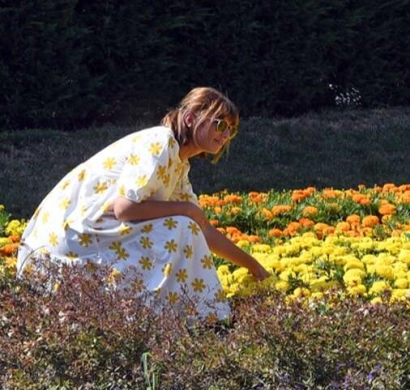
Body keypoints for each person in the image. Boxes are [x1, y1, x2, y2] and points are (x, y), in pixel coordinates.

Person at [16, 87, 269, 320]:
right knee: (181, 227)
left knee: (186, 226)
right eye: (219, 124)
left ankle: (181, 321)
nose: (225, 134)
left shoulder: (179, 164)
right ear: (191, 118)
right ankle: (195, 320)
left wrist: (255, 268)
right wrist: (187, 210)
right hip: (65, 243)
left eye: (231, 129)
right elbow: (124, 209)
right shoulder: (160, 142)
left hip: (91, 239)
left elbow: (204, 228)